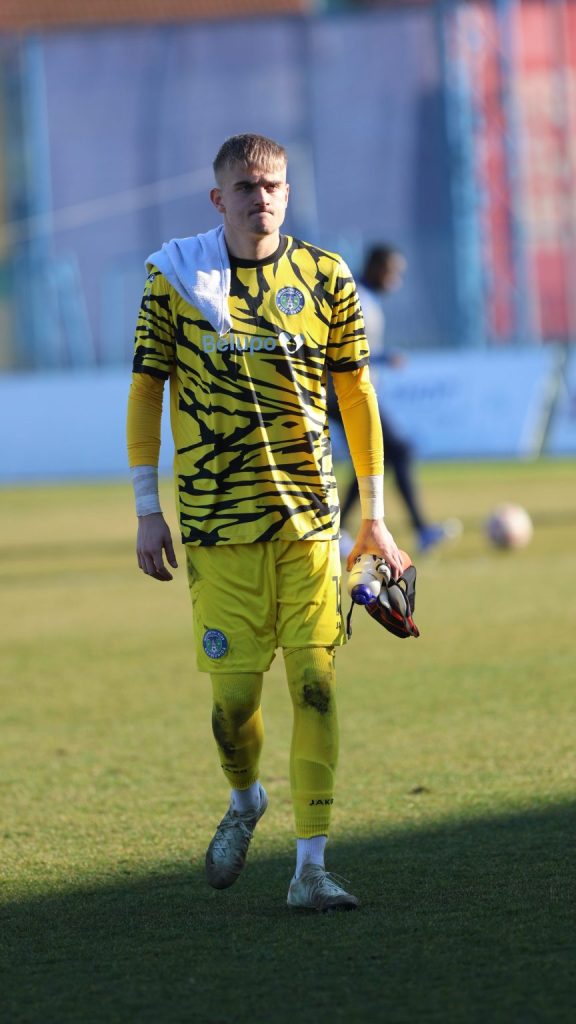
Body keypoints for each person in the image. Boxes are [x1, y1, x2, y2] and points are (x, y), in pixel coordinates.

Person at [126, 134, 403, 912]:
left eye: (273, 185)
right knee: (234, 706)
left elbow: (357, 394)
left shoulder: (325, 276)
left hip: (309, 525)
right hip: (218, 532)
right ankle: (246, 800)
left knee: (315, 684)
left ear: (288, 193)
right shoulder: (174, 280)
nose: (262, 198)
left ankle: (310, 868)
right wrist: (147, 509)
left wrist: (375, 519)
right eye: (246, 187)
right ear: (220, 199)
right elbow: (146, 391)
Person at [332, 244, 456, 557]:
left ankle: (340, 529)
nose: (395, 280)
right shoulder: (358, 296)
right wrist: (384, 357)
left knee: (373, 459)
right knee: (397, 449)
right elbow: (344, 347)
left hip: (349, 392)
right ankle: (421, 530)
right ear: (376, 268)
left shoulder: (366, 297)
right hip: (344, 394)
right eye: (392, 272)